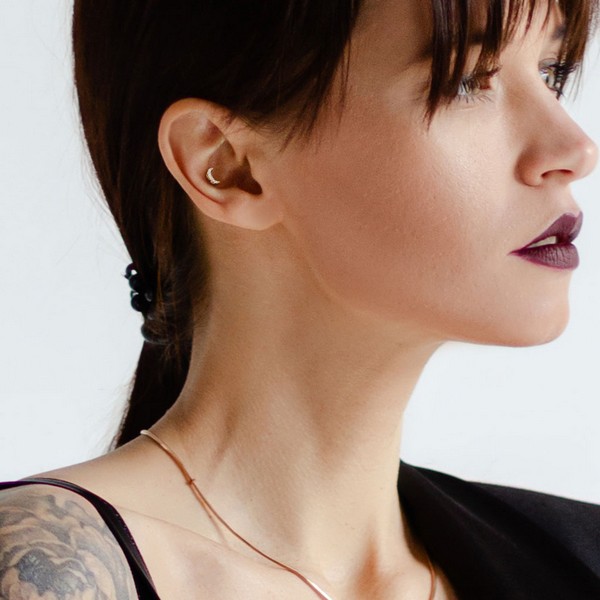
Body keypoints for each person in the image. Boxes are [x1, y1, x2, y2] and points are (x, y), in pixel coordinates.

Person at [1, 0, 599, 598]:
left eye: (551, 72)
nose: (575, 150)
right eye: (466, 81)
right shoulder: (52, 570)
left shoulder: (577, 558)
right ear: (227, 166)